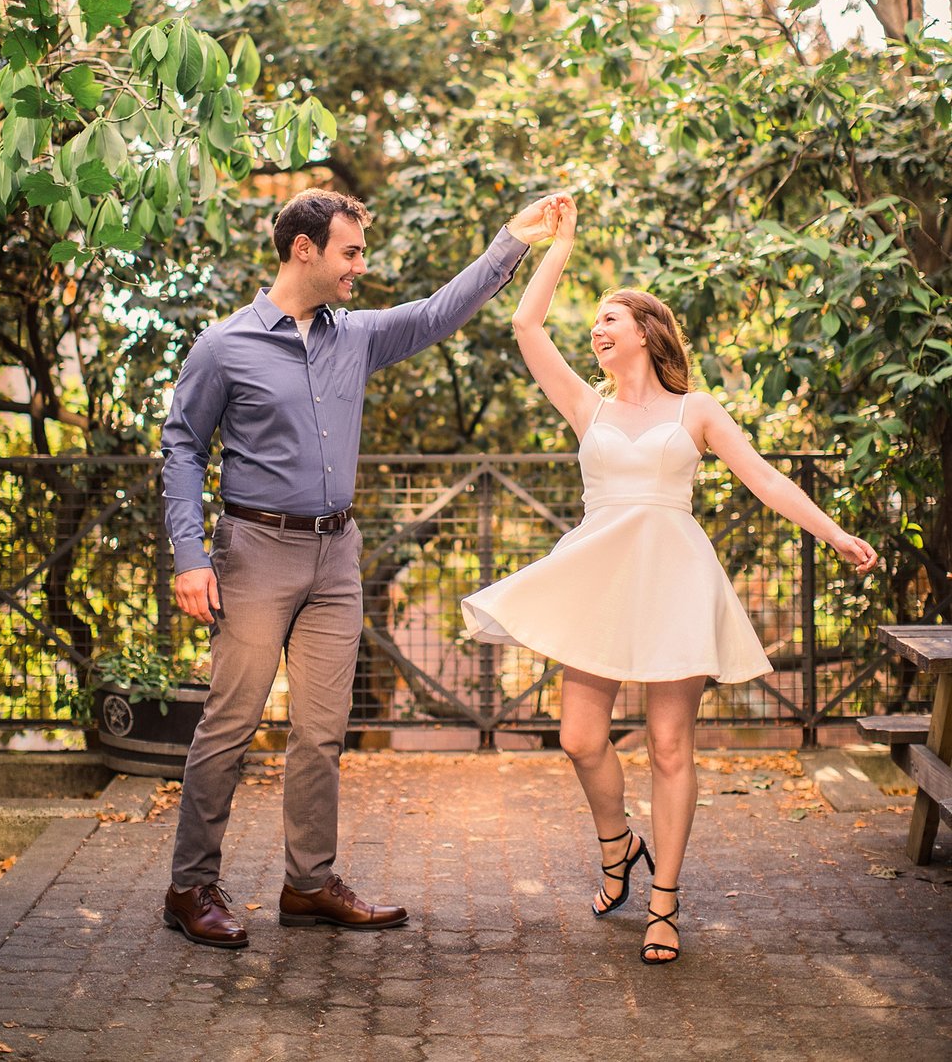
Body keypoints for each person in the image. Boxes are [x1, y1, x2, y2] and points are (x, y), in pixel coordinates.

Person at [462, 194, 878, 964]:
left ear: (647, 332)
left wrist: (834, 531)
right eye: (595, 323)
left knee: (669, 746)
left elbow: (765, 481)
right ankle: (618, 847)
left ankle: (663, 903)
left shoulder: (697, 411)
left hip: (675, 581)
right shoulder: (585, 406)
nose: (597, 329)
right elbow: (525, 326)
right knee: (580, 738)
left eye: (611, 319)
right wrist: (559, 245)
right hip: (599, 581)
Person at [159, 186, 561, 948]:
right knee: (231, 723)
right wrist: (189, 557)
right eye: (350, 252)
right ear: (303, 249)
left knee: (321, 731)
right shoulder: (224, 346)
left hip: (337, 555)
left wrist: (514, 238)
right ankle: (191, 886)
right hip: (254, 553)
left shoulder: (358, 336)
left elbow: (440, 312)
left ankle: (308, 885)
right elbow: (183, 446)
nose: (360, 268)